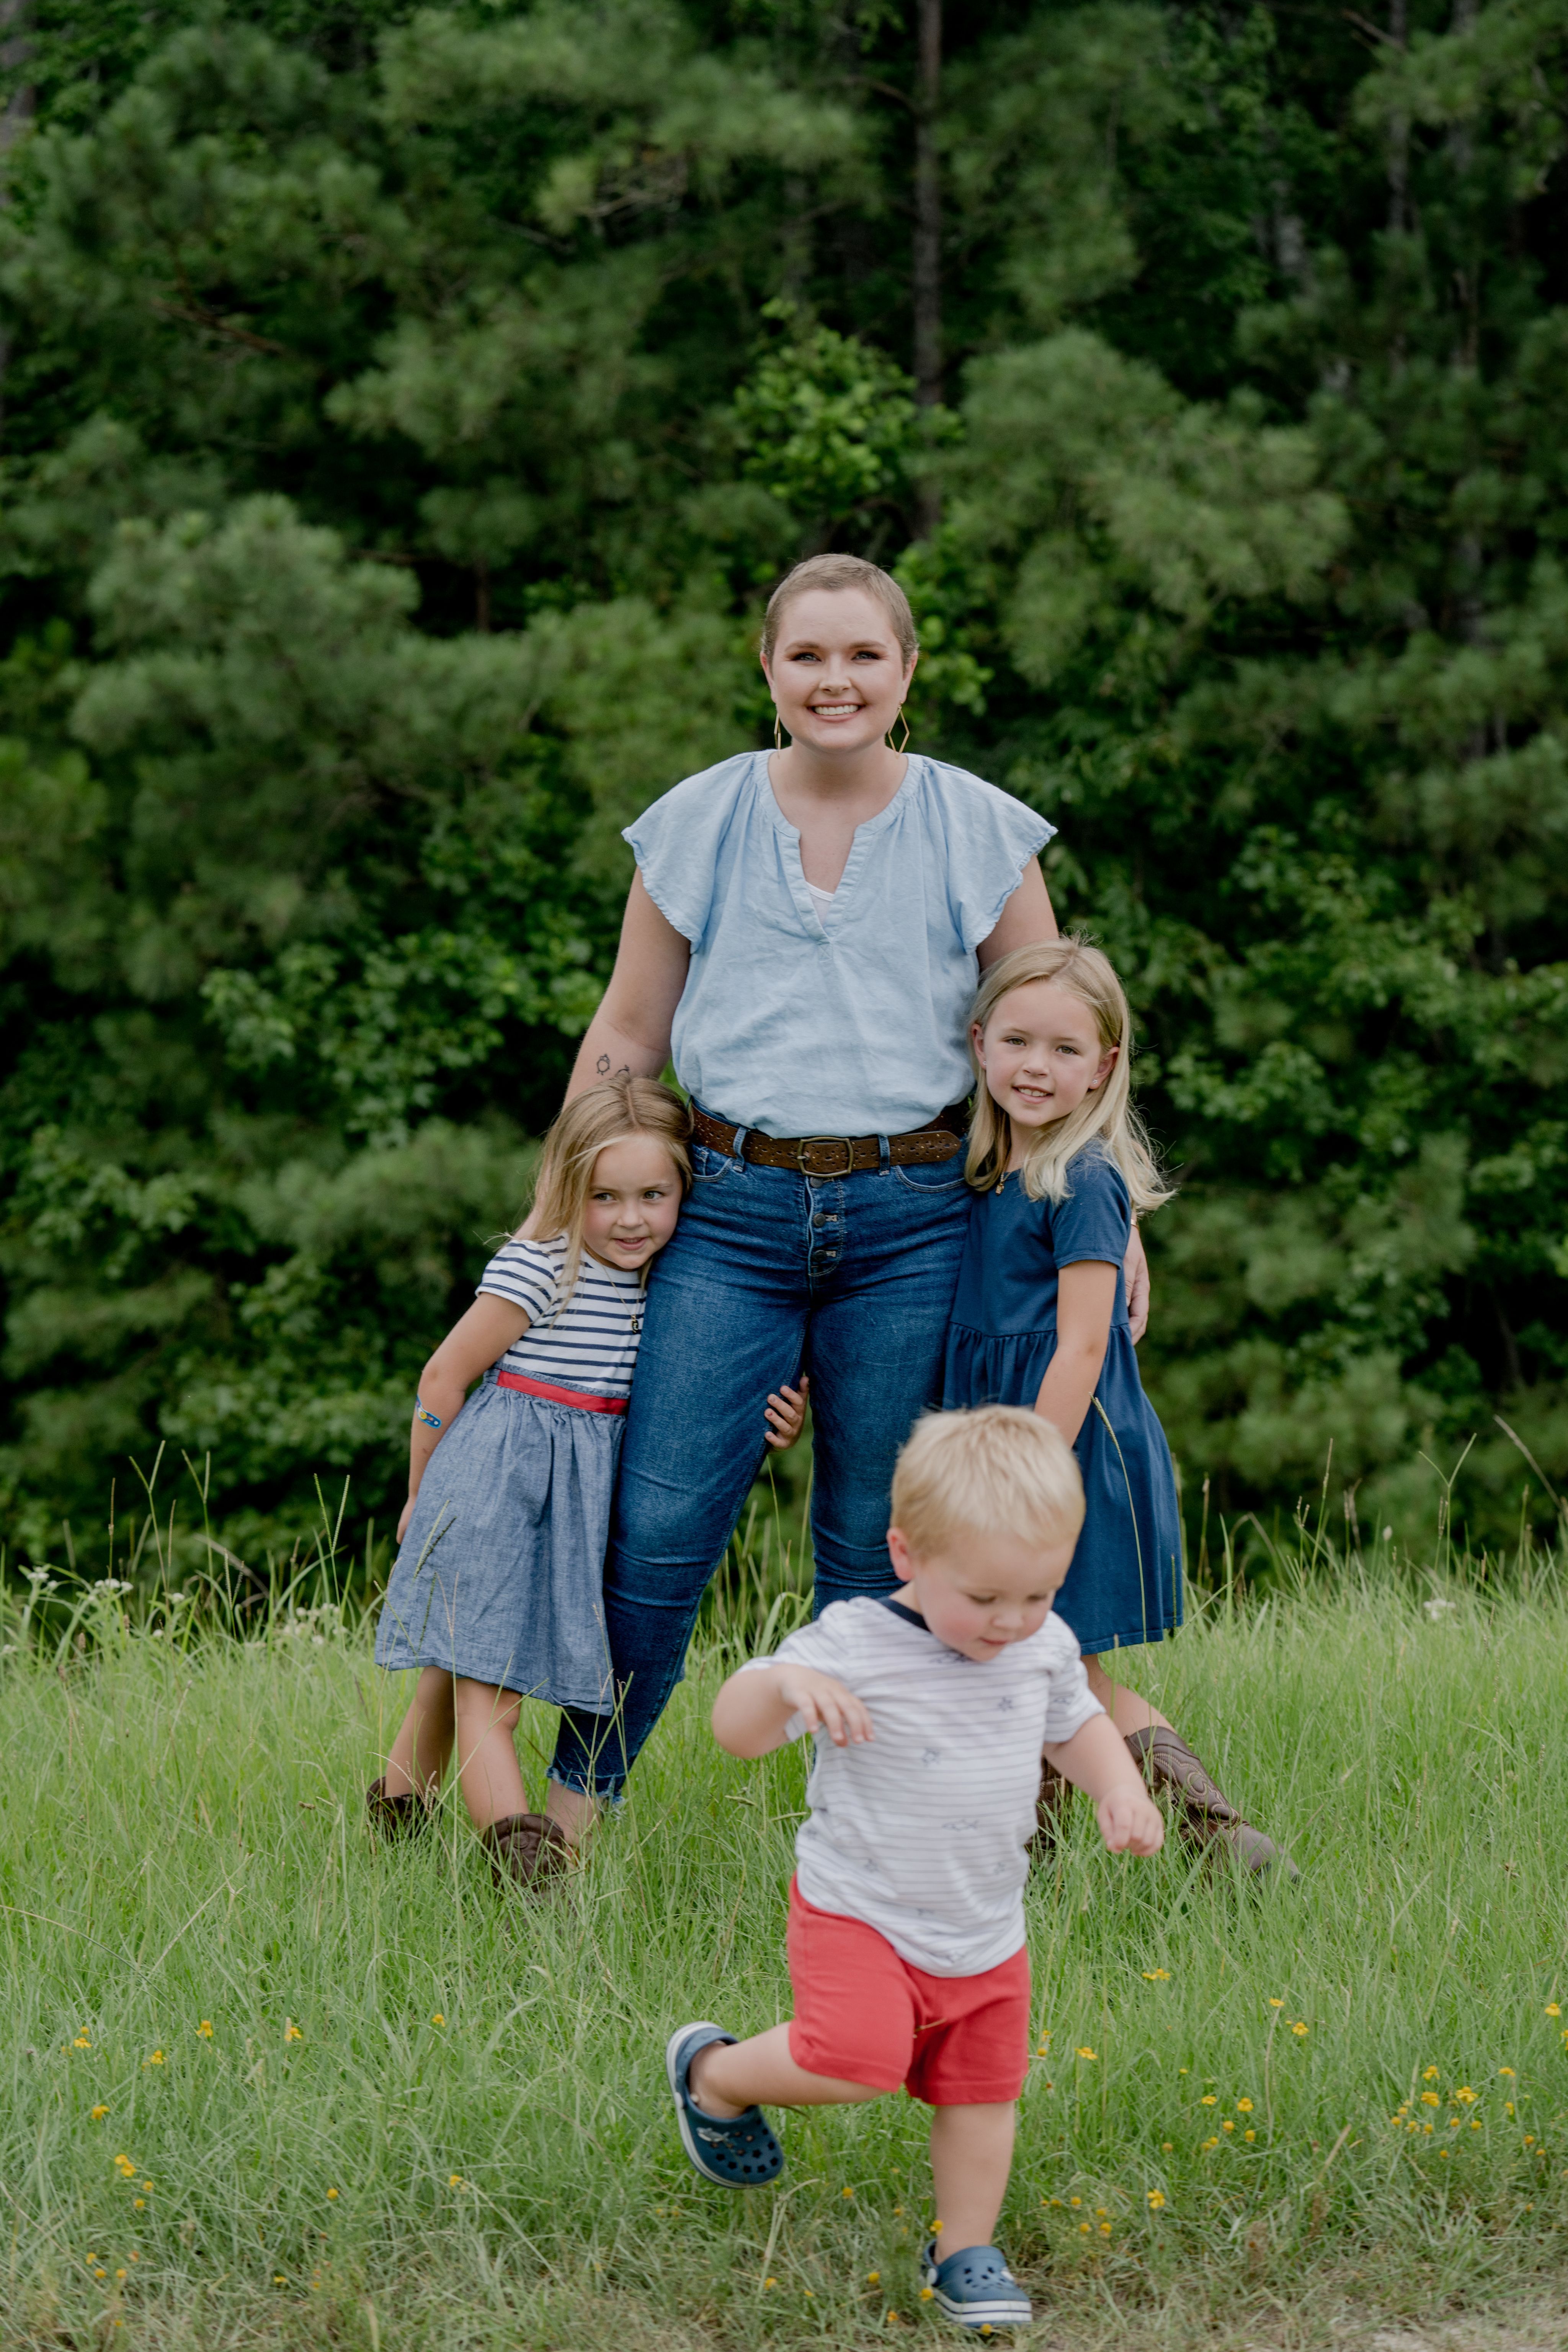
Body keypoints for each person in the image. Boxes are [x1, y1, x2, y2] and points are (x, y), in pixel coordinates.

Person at [535, 552, 1150, 1823]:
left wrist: (1114, 1221)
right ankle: (567, 1824)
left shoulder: (973, 824)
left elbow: (1056, 1034)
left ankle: (863, 1836)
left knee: (874, 1544)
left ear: (906, 670)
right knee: (654, 1532)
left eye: (863, 655)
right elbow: (626, 1032)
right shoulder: (696, 820)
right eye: (806, 655)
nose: (835, 680)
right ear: (766, 668)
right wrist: (561, 1214)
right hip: (727, 1211)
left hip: (914, 1218)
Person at [664, 1406, 1163, 2335]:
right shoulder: (854, 1643)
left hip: (982, 1927)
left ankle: (963, 2249)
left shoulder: (1041, 1648)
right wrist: (781, 1685)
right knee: (854, 2061)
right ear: (906, 1555)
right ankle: (717, 2076)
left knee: (982, 2095)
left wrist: (1118, 1790)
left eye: (1037, 1595)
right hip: (859, 1910)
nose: (1011, 1623)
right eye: (983, 1599)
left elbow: (1075, 1724)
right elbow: (734, 1732)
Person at [367, 1075, 805, 1884]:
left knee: (455, 1662)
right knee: (488, 1694)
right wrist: (420, 1497)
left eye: (653, 1194)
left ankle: (395, 1819)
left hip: (573, 1510)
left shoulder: (667, 1288)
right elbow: (441, 1380)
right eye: (605, 1196)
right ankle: (526, 1868)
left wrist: (773, 1419)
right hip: (496, 1485)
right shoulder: (540, 1269)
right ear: (570, 1190)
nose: (630, 1218)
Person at [945, 938, 1295, 1875]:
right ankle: (1041, 1856)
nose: (1036, 1067)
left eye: (1066, 1051)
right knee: (1019, 1656)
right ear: (978, 1044)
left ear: (1104, 1067)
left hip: (1063, 1451)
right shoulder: (975, 1170)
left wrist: (1028, 1472)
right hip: (999, 1444)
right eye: (1017, 1041)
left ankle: (1215, 1836)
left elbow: (1084, 1342)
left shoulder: (1084, 1181)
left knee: (1065, 1664)